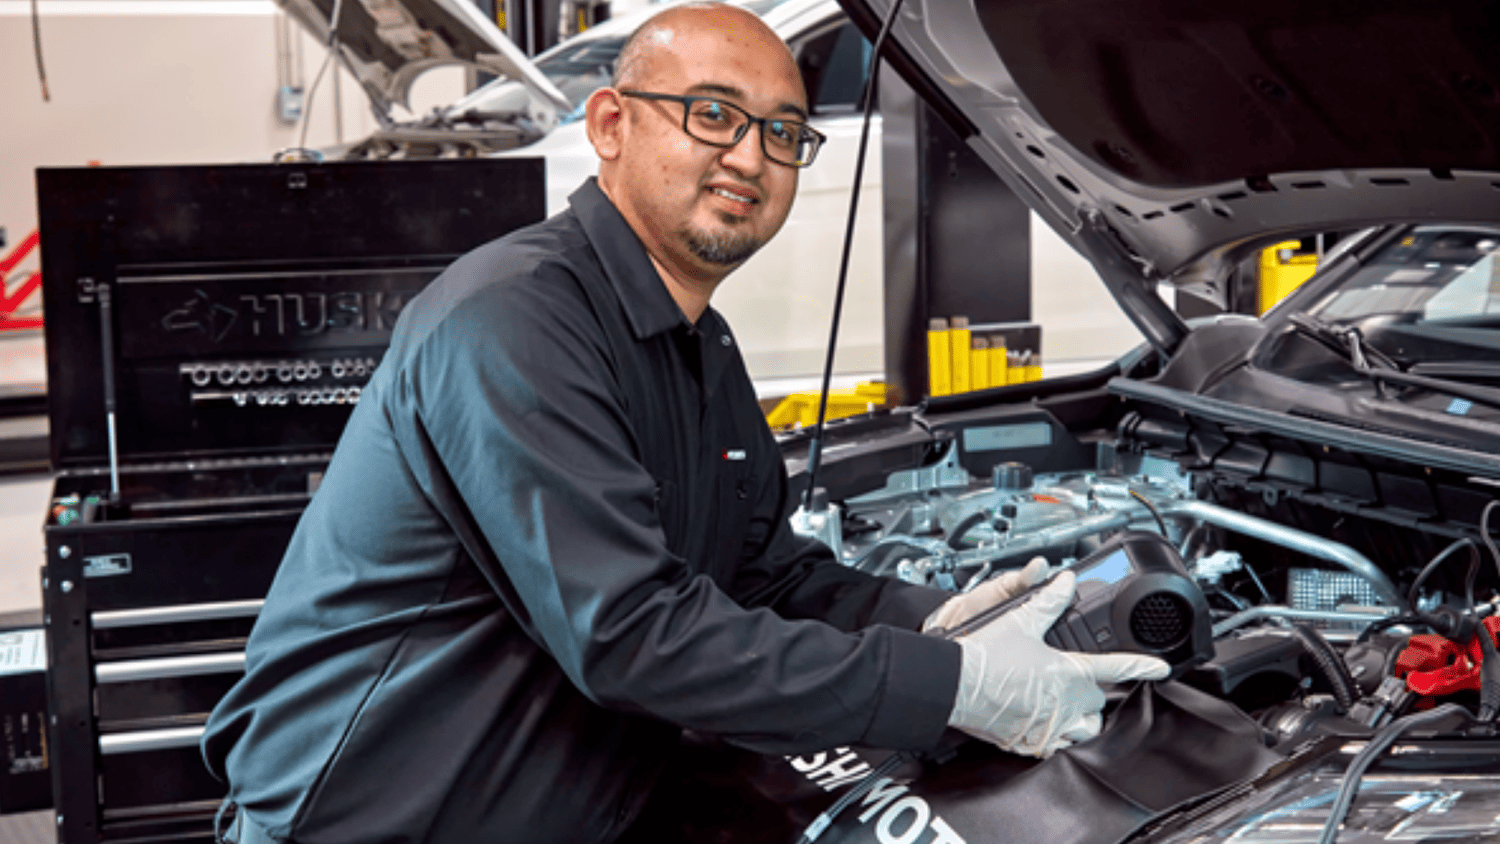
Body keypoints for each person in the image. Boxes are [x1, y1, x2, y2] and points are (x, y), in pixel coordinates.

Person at [201, 4, 1168, 843]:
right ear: (611, 125)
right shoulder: (514, 321)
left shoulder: (700, 343)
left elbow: (762, 574)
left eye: (786, 133)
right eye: (714, 115)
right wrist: (950, 688)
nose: (752, 156)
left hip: (573, 805)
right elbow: (627, 631)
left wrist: (945, 624)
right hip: (377, 823)